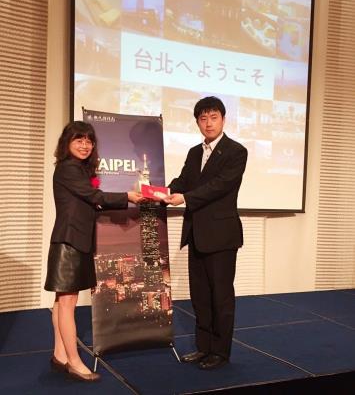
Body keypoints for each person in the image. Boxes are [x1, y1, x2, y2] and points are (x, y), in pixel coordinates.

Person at [44, 121, 143, 382]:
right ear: (67, 142)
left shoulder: (76, 170)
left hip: (72, 241)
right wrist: (129, 197)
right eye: (79, 139)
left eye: (89, 141)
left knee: (61, 302)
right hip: (70, 242)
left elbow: (89, 199)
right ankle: (74, 362)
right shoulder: (68, 168)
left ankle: (60, 355)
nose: (85, 145)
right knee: (67, 304)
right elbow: (94, 196)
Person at [164, 96, 247, 370]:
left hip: (221, 235)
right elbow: (183, 180)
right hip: (196, 233)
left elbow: (219, 186)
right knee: (200, 296)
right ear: (197, 122)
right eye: (203, 118)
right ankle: (203, 348)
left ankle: (221, 352)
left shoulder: (236, 152)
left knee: (221, 297)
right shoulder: (193, 152)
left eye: (213, 117)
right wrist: (163, 191)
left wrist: (184, 197)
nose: (208, 123)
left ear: (223, 119)